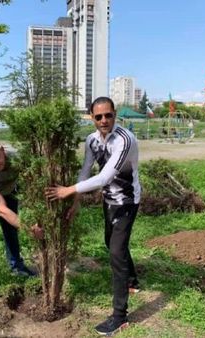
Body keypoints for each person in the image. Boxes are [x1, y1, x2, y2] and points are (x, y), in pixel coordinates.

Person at [45, 96, 141, 336]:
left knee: (117, 253)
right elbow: (86, 170)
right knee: (111, 243)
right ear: (91, 117)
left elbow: (104, 177)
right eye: (98, 116)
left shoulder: (125, 140)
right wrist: (76, 203)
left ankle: (119, 316)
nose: (104, 120)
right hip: (109, 200)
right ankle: (132, 280)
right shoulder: (92, 141)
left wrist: (68, 191)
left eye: (108, 115)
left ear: (115, 114)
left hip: (127, 201)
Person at [0, 139, 43, 302]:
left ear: (3, 150)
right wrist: (29, 229)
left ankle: (17, 267)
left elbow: (33, 177)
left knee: (11, 230)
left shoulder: (17, 156)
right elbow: (2, 209)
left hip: (10, 190)